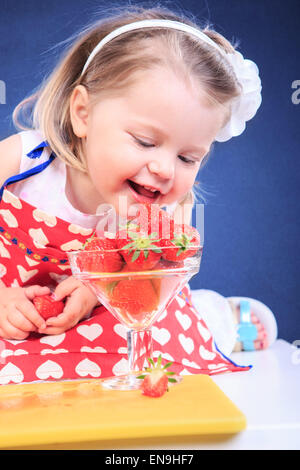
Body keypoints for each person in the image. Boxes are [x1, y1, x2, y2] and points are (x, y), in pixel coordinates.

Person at [0, 6, 264, 380]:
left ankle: (226, 318)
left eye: (188, 158)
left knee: (156, 349)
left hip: (116, 309)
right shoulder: (21, 161)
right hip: (14, 305)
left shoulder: (169, 210)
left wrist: (97, 291)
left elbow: (160, 279)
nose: (164, 169)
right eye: (144, 142)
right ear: (83, 113)